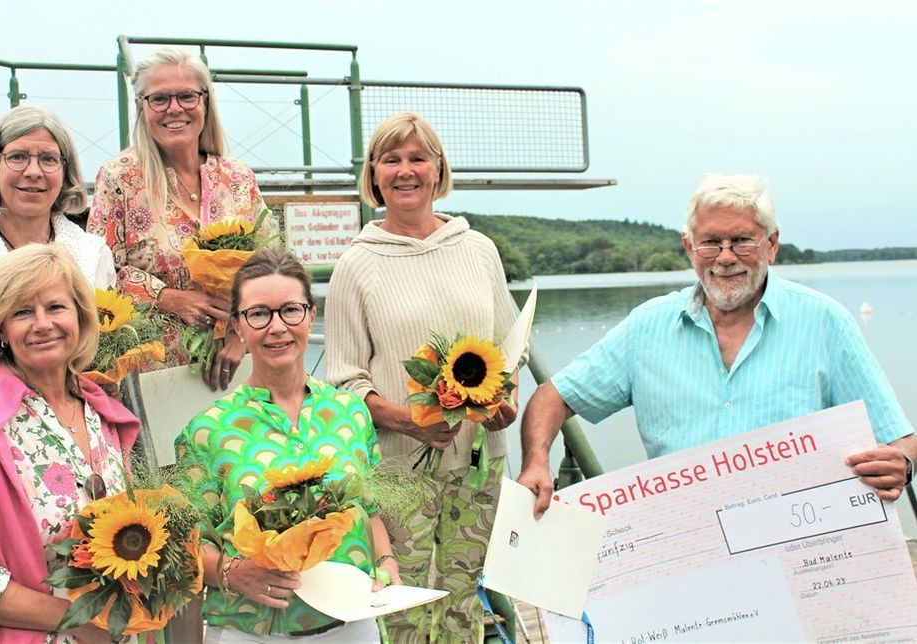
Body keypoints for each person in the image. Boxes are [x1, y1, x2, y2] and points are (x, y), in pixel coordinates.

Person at [518, 173, 917, 518]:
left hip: (800, 550)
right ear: (690, 248)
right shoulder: (648, 327)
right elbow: (553, 398)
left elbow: (901, 439)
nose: (725, 258)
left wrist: (902, 463)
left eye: (742, 240)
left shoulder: (825, 322)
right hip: (687, 552)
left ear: (772, 244)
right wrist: (536, 460)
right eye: (711, 242)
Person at [325, 112, 522, 643]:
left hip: (479, 461)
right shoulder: (356, 265)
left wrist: (505, 401)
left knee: (467, 597)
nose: (405, 170)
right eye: (391, 160)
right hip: (397, 468)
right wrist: (407, 421)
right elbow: (344, 382)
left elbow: (510, 349)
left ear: (438, 169)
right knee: (402, 602)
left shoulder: (478, 249)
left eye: (417, 158)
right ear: (374, 174)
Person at [176, 248, 400, 642]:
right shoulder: (206, 431)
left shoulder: (350, 412)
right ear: (238, 326)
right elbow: (186, 545)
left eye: (290, 310)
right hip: (254, 630)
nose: (277, 327)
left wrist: (385, 560)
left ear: (311, 315)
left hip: (352, 623)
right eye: (259, 314)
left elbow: (371, 509)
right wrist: (233, 572)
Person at [0, 244, 140, 643]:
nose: (42, 324)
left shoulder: (104, 414)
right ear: (0, 329)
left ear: (80, 316)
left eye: (55, 307)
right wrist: (84, 622)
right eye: (22, 312)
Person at [87, 47, 267, 391]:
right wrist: (167, 297)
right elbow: (99, 273)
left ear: (205, 102)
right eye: (159, 98)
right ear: (141, 107)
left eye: (186, 96)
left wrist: (242, 334)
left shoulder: (238, 179)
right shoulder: (119, 179)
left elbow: (272, 269)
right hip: (155, 372)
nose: (174, 108)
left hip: (238, 366)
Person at [0, 105, 116, 411]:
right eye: (17, 157)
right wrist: (41, 400)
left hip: (89, 429)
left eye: (48, 159)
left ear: (65, 171)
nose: (33, 172)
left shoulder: (94, 256)